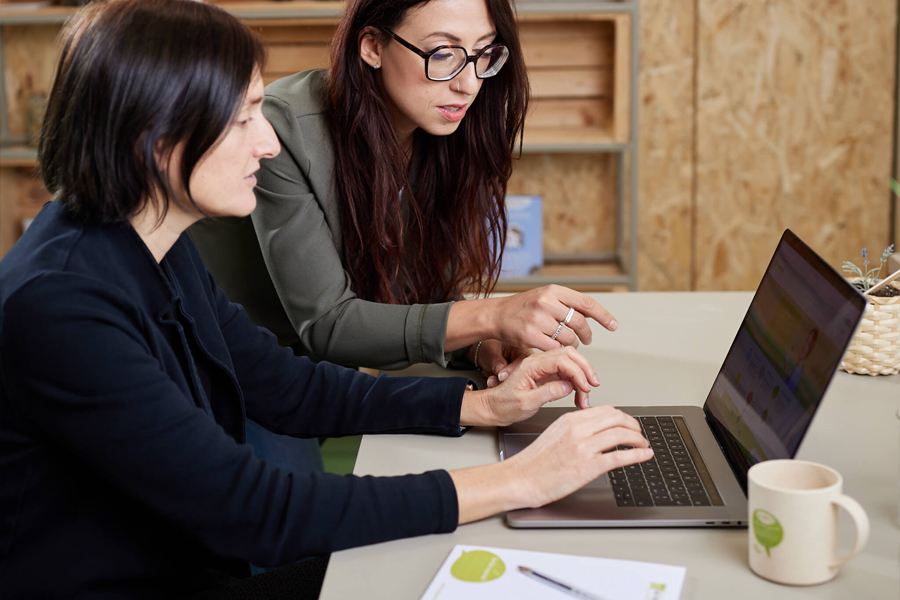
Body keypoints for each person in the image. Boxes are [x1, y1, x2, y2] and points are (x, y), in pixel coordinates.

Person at [0, 1, 652, 597]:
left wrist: (480, 405)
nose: (268, 142)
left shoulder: (151, 246)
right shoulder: (61, 304)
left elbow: (289, 388)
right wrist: (520, 480)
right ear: (155, 138)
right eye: (242, 118)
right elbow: (259, 512)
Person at [189, 0, 620, 386]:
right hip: (229, 380)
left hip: (326, 382)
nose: (469, 84)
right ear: (372, 46)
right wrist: (492, 315)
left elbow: (423, 295)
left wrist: (479, 344)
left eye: (483, 53)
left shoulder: (442, 129)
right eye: (443, 53)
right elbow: (328, 324)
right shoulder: (285, 127)